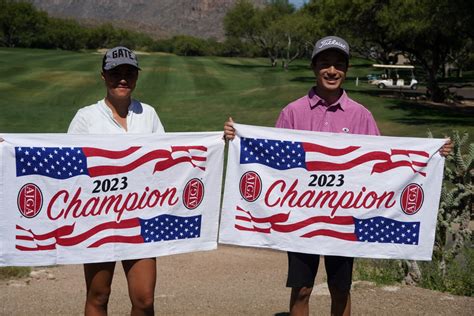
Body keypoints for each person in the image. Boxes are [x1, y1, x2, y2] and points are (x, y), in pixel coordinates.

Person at [224, 35, 453, 316]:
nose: (332, 71)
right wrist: (239, 138)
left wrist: (432, 153)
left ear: (346, 69)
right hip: (300, 218)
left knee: (340, 289)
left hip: (345, 218)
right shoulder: (292, 112)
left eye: (338, 64)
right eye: (325, 63)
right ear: (314, 67)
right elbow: (270, 159)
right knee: (302, 289)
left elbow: (385, 162)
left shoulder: (361, 115)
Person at [68, 46, 165, 315]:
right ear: (103, 76)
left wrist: (223, 137)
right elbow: (70, 168)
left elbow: (168, 160)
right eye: (115, 73)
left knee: (144, 300)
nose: (122, 79)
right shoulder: (86, 117)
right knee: (99, 295)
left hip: (140, 216)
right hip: (97, 218)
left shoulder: (149, 114)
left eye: (129, 73)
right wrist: (11, 148)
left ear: (136, 77)